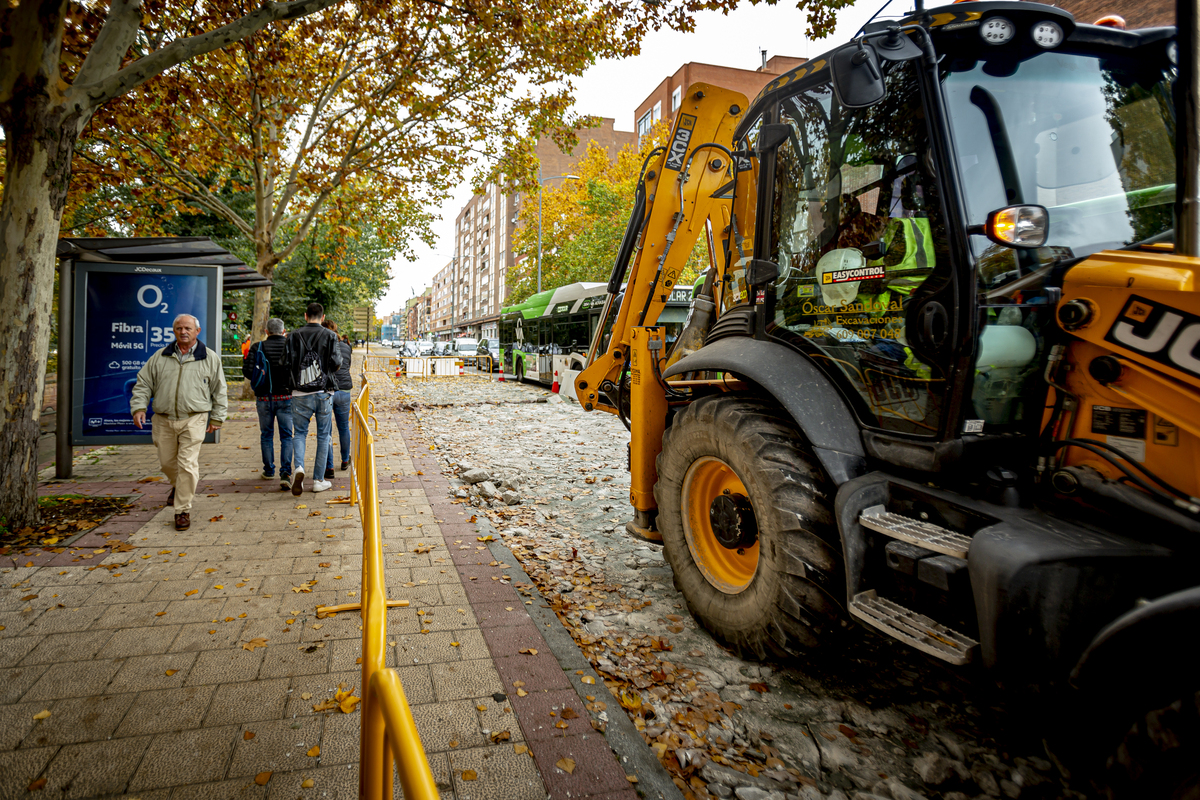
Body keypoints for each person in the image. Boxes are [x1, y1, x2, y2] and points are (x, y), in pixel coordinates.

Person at [130, 313, 227, 531]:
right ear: (174, 331)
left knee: (187, 463)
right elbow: (143, 383)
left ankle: (182, 509)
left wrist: (218, 417)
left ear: (197, 331)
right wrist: (138, 407)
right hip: (163, 419)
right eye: (179, 328)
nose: (183, 332)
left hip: (194, 418)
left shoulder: (210, 358)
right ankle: (178, 485)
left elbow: (220, 391)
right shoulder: (160, 356)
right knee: (167, 463)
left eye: (187, 328)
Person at [284, 302, 342, 496]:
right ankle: (318, 480)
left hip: (299, 393)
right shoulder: (331, 336)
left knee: (299, 433)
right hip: (324, 392)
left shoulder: (292, 336)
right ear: (323, 317)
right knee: (323, 435)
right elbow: (336, 363)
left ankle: (299, 468)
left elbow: (283, 363)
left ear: (305, 315)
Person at [242, 318, 295, 489]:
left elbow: (248, 371)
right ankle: (285, 473)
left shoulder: (258, 347)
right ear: (283, 331)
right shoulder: (290, 346)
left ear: (266, 331)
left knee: (266, 435)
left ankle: (269, 470)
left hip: (264, 398)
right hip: (286, 398)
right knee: (287, 436)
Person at [322, 322, 353, 480]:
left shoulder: (322, 345)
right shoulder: (346, 346)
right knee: (344, 427)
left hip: (327, 389)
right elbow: (347, 365)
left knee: (326, 430)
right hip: (345, 389)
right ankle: (345, 459)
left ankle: (329, 467)